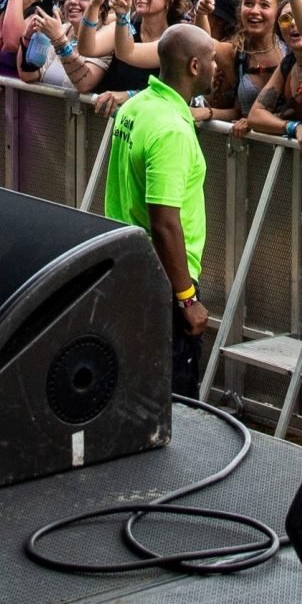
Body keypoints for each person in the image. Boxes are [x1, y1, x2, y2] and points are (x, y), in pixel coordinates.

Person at [101, 23, 215, 395]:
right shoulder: (171, 129)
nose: (218, 66)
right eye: (212, 58)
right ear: (195, 66)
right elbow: (165, 222)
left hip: (129, 267)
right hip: (161, 280)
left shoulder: (137, 105)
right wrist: (186, 298)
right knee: (172, 404)